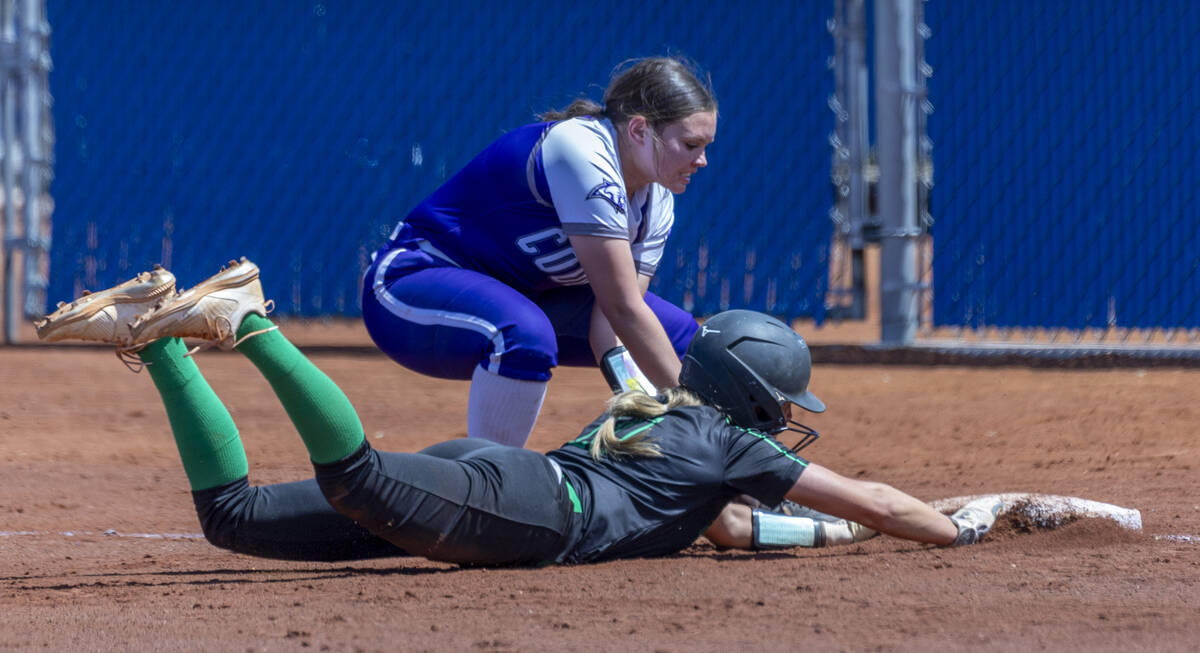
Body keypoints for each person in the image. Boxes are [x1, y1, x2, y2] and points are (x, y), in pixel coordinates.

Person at [35, 259, 1001, 565]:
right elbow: (879, 498)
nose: (786, 418)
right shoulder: (724, 439)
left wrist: (828, 536)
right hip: (528, 510)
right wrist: (956, 526)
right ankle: (249, 325)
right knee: (359, 478)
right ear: (751, 396)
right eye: (780, 401)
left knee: (233, 521)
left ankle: (157, 341)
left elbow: (737, 529)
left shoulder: (666, 421)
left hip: (501, 481)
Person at [361, 55, 716, 447]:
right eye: (690, 144)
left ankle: (728, 480)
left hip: (529, 300)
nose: (701, 160)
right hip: (409, 285)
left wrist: (647, 399)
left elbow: (610, 324)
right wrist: (699, 419)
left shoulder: (657, 196)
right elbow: (624, 310)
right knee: (525, 335)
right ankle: (490, 488)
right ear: (638, 130)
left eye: (705, 146)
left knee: (689, 342)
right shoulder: (581, 148)